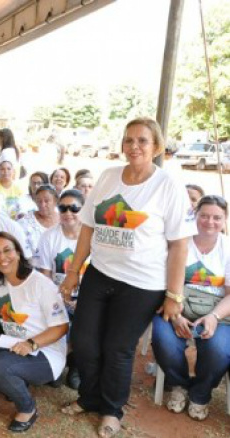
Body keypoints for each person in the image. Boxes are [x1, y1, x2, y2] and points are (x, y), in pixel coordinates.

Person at [59, 118, 196, 438]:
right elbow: (88, 228)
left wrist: (174, 295)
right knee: (84, 341)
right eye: (129, 140)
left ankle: (111, 410)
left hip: (142, 284)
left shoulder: (167, 185)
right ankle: (89, 398)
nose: (134, 146)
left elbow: (179, 244)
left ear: (156, 146)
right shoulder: (107, 177)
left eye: (142, 141)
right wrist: (74, 272)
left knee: (118, 347)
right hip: (100, 273)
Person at [0, 232, 69, 433]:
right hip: (11, 345)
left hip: (45, 352)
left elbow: (62, 327)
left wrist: (31, 344)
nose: (2, 257)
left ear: (19, 253)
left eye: (7, 250)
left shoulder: (40, 284)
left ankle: (27, 408)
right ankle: (15, 378)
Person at [151, 195, 230, 421]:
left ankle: (201, 393)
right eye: (204, 215)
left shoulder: (228, 247)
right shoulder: (179, 243)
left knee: (219, 349)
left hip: (217, 310)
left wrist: (214, 317)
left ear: (225, 220)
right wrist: (174, 315)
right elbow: (161, 283)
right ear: (195, 216)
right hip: (176, 305)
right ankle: (178, 384)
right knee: (163, 339)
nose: (209, 222)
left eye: (217, 217)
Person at [34, 189, 86, 389]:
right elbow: (45, 277)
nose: (68, 212)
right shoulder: (49, 237)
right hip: (58, 297)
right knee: (58, 320)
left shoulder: (93, 236)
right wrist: (58, 300)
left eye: (74, 208)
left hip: (87, 298)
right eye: (63, 208)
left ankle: (75, 365)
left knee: (84, 325)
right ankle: (57, 362)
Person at [17, 184, 60, 259]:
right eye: (39, 201)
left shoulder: (64, 220)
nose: (42, 205)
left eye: (47, 201)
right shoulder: (25, 223)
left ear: (55, 201)